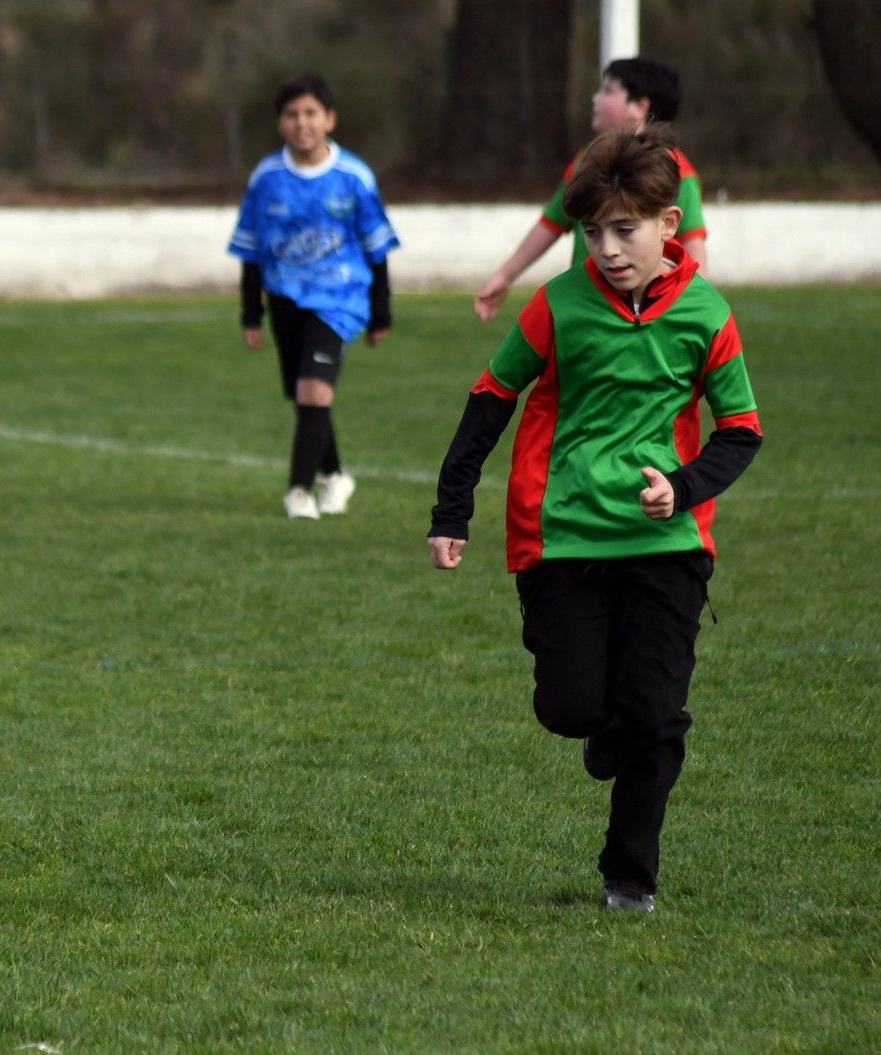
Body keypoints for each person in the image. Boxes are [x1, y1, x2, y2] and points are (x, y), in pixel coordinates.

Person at [427, 126, 761, 913]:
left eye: (624, 230)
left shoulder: (707, 313)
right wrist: (452, 509)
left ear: (668, 223)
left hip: (667, 541)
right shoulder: (558, 304)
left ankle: (629, 877)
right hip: (562, 537)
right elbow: (491, 398)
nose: (607, 250)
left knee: (657, 713)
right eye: (592, 233)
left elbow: (741, 429)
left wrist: (682, 486)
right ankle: (612, 730)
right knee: (570, 707)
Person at [227, 72, 401, 520]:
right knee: (305, 395)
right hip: (284, 299)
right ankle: (336, 475)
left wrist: (381, 313)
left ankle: (299, 493)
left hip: (340, 300)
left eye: (311, 113)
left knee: (313, 388)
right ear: (280, 122)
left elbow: (377, 249)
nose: (302, 122)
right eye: (292, 114)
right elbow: (251, 250)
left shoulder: (353, 177)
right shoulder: (266, 178)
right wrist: (251, 313)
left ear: (330, 120)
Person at [474, 56, 707, 322]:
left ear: (640, 107)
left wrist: (694, 309)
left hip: (641, 319)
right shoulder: (588, 161)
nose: (596, 98)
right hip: (584, 309)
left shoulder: (677, 173)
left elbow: (694, 249)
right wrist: (505, 275)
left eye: (608, 91)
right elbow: (551, 223)